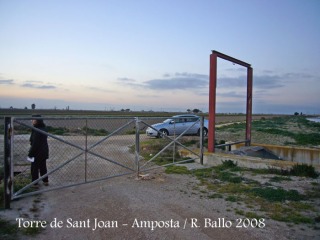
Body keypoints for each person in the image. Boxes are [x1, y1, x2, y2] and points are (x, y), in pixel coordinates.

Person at [28, 115, 49, 186]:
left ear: (37, 120)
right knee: (43, 166)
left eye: (33, 119)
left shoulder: (36, 130)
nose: (32, 121)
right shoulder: (44, 128)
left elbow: (35, 144)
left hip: (36, 152)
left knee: (34, 168)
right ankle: (45, 181)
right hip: (44, 151)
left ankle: (35, 184)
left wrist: (30, 153)